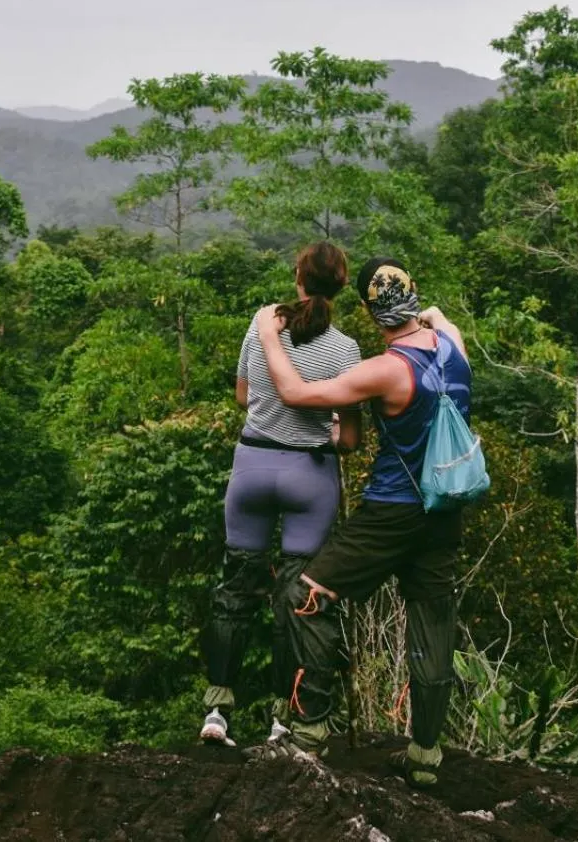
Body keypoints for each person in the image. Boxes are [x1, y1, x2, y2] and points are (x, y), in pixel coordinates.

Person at [253, 257, 470, 788]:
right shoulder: (454, 348)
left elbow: (296, 395)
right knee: (433, 620)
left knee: (309, 595)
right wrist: (434, 316)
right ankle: (425, 754)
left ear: (373, 315)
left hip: (393, 512)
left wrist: (267, 336)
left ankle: (309, 732)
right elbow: (444, 320)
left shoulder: (386, 368)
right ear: (415, 299)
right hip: (448, 508)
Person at [199, 241, 362, 748]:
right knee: (295, 601)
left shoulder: (264, 323)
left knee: (234, 591)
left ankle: (217, 711)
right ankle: (280, 718)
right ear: (340, 286)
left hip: (252, 465)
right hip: (309, 475)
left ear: (298, 277)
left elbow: (245, 395)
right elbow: (350, 441)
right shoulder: (348, 349)